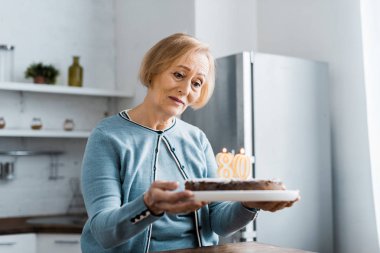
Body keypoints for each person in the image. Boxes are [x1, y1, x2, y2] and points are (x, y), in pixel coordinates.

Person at [80, 33, 299, 253]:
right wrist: (149, 205)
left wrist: (249, 204)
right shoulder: (107, 136)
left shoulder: (197, 139)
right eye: (178, 75)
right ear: (154, 70)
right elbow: (104, 232)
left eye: (196, 83)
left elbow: (217, 220)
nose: (185, 90)